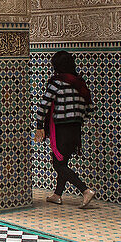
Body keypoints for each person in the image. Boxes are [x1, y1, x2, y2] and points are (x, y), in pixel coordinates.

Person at [33, 50, 96, 208]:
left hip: (61, 129)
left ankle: (85, 190)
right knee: (63, 161)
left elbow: (44, 105)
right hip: (75, 129)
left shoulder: (57, 82)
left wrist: (39, 126)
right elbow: (90, 108)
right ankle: (57, 194)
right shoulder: (79, 82)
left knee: (58, 164)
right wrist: (78, 120)